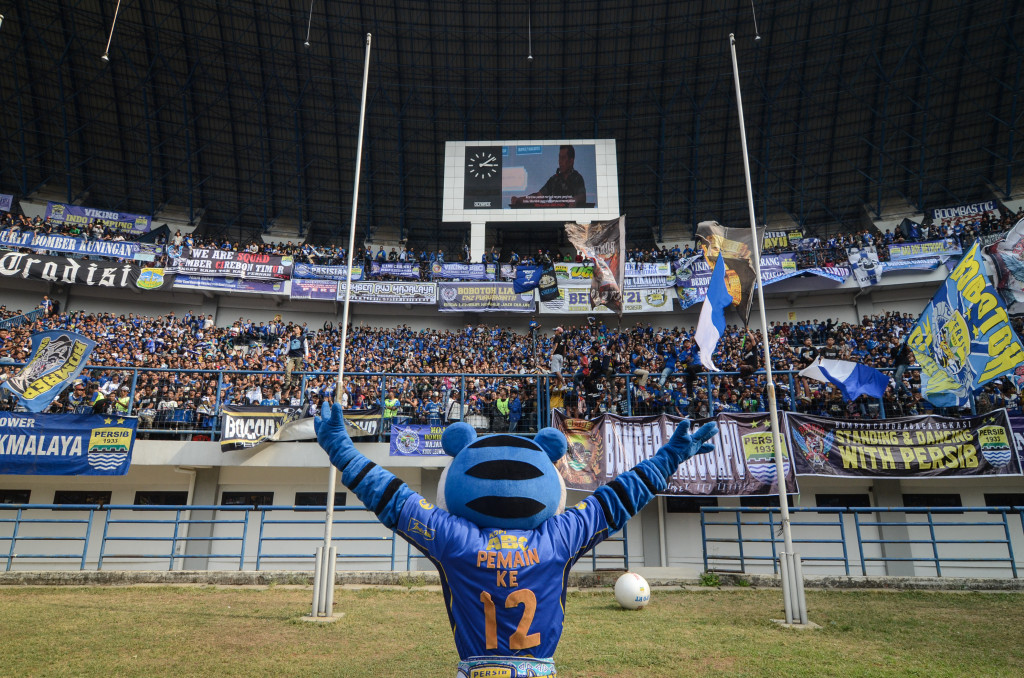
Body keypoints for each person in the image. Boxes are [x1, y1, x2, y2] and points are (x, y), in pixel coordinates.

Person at [510, 145, 587, 207]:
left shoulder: (577, 178)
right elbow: (538, 197)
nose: (560, 161)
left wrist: (575, 200)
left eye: (563, 158)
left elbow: (582, 196)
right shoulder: (554, 179)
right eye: (559, 157)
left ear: (571, 161)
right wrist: (520, 200)